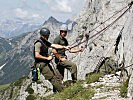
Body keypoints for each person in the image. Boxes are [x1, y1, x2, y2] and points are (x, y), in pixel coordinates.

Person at [34, 27, 69, 92]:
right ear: (43, 36)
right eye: (47, 36)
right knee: (52, 78)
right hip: (41, 64)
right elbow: (37, 55)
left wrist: (64, 47)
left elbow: (54, 45)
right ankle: (63, 91)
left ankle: (58, 92)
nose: (48, 37)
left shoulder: (45, 42)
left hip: (45, 63)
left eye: (48, 35)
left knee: (55, 77)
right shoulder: (38, 43)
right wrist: (47, 58)